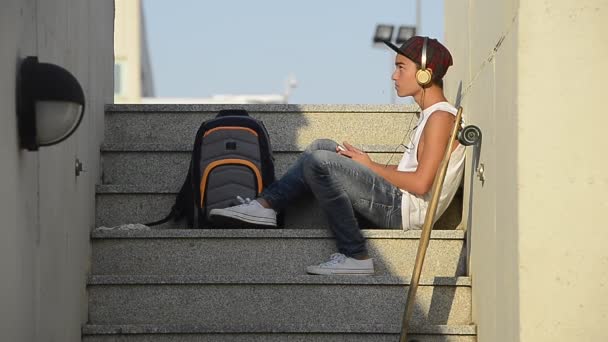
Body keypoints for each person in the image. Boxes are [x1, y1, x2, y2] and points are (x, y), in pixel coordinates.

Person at [209, 36, 465, 275]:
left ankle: (355, 254)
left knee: (319, 161)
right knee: (324, 146)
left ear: (424, 75)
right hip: (395, 201)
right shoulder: (432, 116)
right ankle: (266, 205)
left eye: (401, 68)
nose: (393, 75)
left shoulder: (441, 118)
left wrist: (370, 166)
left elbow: (421, 183)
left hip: (402, 211)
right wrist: (364, 166)